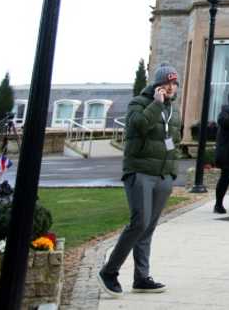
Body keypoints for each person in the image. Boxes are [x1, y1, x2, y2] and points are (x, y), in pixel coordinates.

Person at [97, 64, 182, 297]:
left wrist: (172, 171)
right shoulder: (139, 103)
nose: (171, 87)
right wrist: (156, 104)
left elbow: (175, 138)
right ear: (157, 84)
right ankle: (109, 271)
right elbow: (138, 126)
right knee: (139, 223)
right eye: (167, 82)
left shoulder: (173, 110)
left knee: (148, 228)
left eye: (174, 83)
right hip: (140, 171)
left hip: (163, 174)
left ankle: (142, 278)